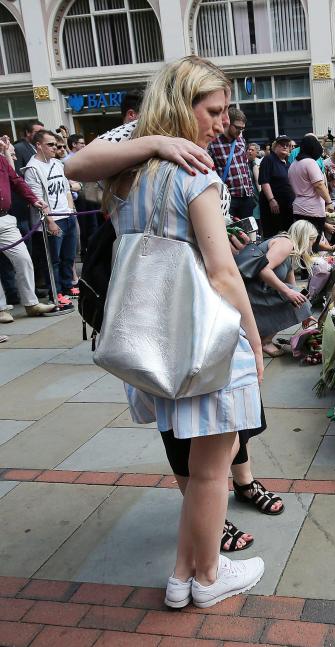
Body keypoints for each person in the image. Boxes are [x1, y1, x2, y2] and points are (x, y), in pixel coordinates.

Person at [97, 56, 265, 610]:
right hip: (206, 342)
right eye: (213, 110)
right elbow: (222, 272)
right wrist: (256, 340)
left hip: (153, 339)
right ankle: (210, 579)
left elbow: (77, 162)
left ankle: (179, 577)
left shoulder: (129, 174)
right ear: (181, 103)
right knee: (213, 472)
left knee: (197, 472)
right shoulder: (196, 175)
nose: (221, 122)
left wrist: (151, 145)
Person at [0, 135, 56, 323]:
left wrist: (33, 199)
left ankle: (31, 303)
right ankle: (1, 309)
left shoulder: (1, 160)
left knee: (23, 259)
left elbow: (16, 180)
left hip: (5, 219)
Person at [245, 223, 314, 358]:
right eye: (312, 241)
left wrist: (304, 311)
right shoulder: (285, 243)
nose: (311, 246)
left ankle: (263, 337)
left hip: (259, 288)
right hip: (251, 289)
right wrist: (288, 293)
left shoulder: (290, 249)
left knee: (299, 299)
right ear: (306, 238)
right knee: (294, 297)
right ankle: (265, 341)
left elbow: (291, 285)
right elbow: (263, 268)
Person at [24, 130, 77, 302]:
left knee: (69, 256)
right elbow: (37, 199)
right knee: (53, 260)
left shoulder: (57, 163)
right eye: (50, 144)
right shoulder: (33, 169)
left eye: (56, 144)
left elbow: (66, 189)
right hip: (52, 220)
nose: (55, 147)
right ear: (38, 145)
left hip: (67, 215)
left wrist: (71, 210)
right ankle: (56, 292)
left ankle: (68, 286)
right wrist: (50, 222)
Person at [209, 107, 256, 220]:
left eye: (242, 128)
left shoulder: (241, 140)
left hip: (246, 196)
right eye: (237, 127)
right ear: (228, 123)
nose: (240, 131)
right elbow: (209, 170)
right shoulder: (213, 142)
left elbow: (245, 167)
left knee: (248, 232)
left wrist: (250, 190)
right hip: (229, 197)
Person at [258, 135, 295, 237]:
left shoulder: (288, 163)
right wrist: (271, 200)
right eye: (282, 144)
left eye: (287, 145)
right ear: (275, 146)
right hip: (273, 206)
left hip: (286, 207)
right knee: (272, 234)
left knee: (287, 234)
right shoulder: (269, 159)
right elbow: (264, 181)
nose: (285, 147)